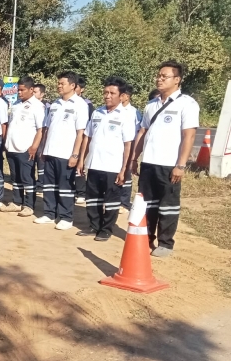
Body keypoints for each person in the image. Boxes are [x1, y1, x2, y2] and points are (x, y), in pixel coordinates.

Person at [131, 61, 199, 257]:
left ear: (177, 80)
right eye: (159, 75)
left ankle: (165, 243)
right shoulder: (151, 105)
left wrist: (180, 165)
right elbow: (142, 132)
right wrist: (134, 158)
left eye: (164, 76)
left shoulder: (187, 104)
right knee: (147, 203)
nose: (159, 79)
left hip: (170, 164)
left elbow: (189, 136)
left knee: (168, 205)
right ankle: (145, 238)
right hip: (149, 162)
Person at [76, 77, 136, 241]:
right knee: (92, 198)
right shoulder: (97, 112)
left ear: (121, 96)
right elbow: (87, 137)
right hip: (94, 163)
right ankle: (94, 225)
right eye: (105, 92)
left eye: (112, 93)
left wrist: (124, 170)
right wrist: (81, 160)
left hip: (113, 166)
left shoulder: (126, 116)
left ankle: (106, 229)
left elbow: (128, 145)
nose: (107, 96)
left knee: (111, 200)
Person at [34, 71, 89, 231]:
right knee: (49, 185)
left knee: (65, 187)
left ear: (72, 85)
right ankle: (49, 213)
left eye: (62, 83)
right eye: (58, 83)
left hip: (66, 153)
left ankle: (66, 217)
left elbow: (81, 132)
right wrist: (43, 148)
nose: (59, 86)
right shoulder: (55, 104)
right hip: (50, 151)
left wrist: (75, 155)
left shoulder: (80, 105)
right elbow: (47, 128)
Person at [2, 76, 45, 216]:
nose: (19, 93)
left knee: (27, 177)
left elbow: (41, 129)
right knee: (15, 177)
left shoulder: (37, 106)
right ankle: (17, 202)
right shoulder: (16, 104)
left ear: (31, 89)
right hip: (12, 147)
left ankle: (29, 205)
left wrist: (34, 147)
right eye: (18, 90)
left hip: (26, 148)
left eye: (22, 90)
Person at [119, 84, 142, 213]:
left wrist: (134, 153)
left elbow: (138, 132)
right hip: (116, 147)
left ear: (127, 96)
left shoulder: (134, 112)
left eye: (122, 94)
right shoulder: (114, 110)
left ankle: (124, 202)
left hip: (128, 146)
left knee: (126, 174)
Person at [73, 76, 94, 205]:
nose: (74, 89)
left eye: (77, 87)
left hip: (81, 137)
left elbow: (89, 124)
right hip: (70, 139)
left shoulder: (87, 104)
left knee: (79, 165)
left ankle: (81, 193)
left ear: (82, 89)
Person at [32, 83, 48, 190]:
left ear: (42, 94)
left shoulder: (47, 106)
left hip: (42, 135)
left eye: (35, 92)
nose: (33, 94)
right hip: (32, 136)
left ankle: (41, 183)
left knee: (40, 159)